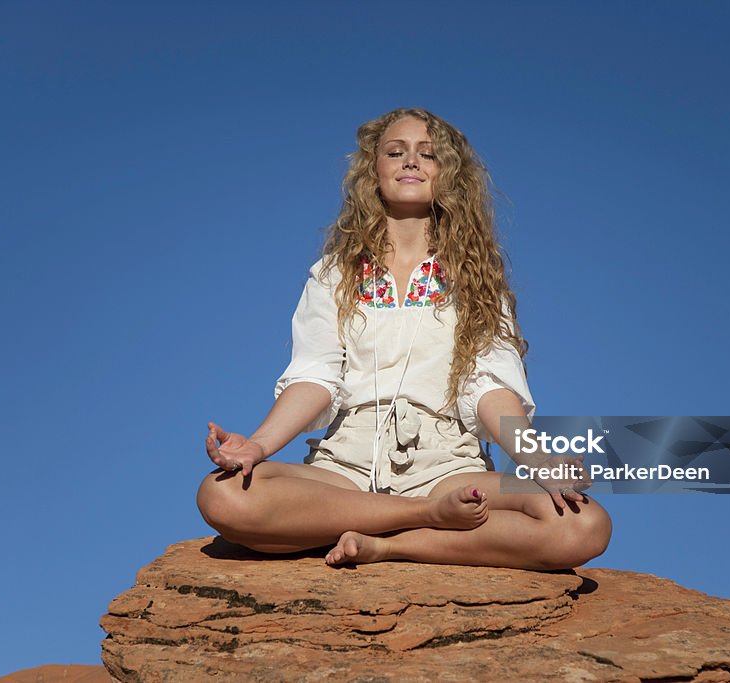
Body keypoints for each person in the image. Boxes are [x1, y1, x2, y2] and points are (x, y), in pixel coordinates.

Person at [196, 108, 612, 570]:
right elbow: (315, 378)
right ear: (374, 171)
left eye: (428, 154)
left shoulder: (477, 281)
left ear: (448, 174)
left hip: (448, 470)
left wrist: (537, 461)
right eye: (396, 152)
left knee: (583, 525)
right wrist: (257, 447)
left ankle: (388, 544)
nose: (411, 162)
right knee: (222, 495)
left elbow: (492, 389)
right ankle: (422, 519)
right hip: (344, 470)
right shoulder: (334, 275)